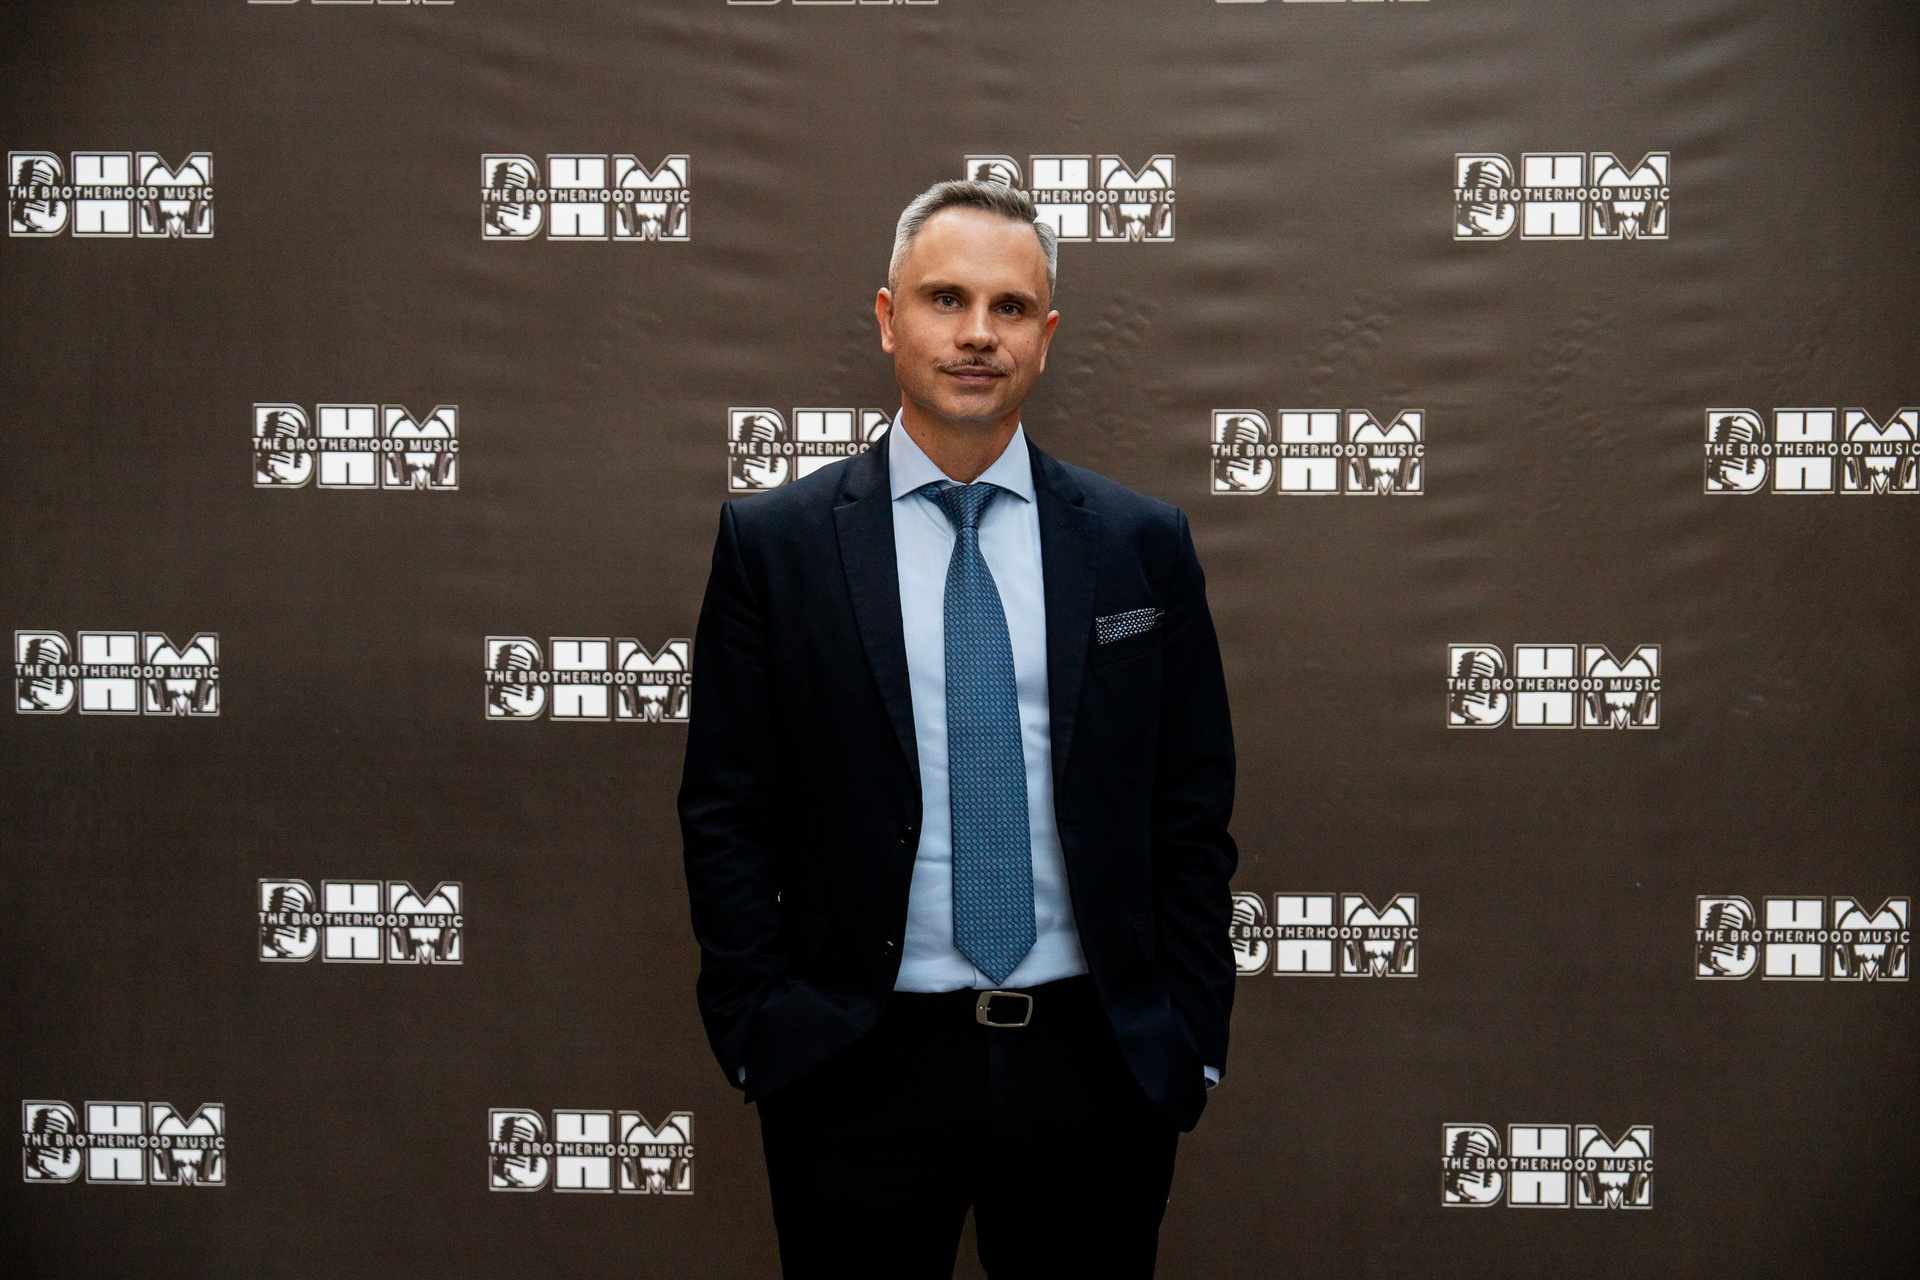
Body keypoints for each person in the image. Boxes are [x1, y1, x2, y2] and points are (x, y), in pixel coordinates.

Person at [680, 179, 1238, 1278]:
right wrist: (762, 1029)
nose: (978, 332)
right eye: (946, 299)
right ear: (889, 319)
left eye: (1009, 307)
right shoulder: (774, 546)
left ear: (1046, 336)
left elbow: (1190, 808)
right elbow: (727, 811)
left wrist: (1190, 1038)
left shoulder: (1141, 545)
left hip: (1094, 1064)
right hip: (856, 1064)